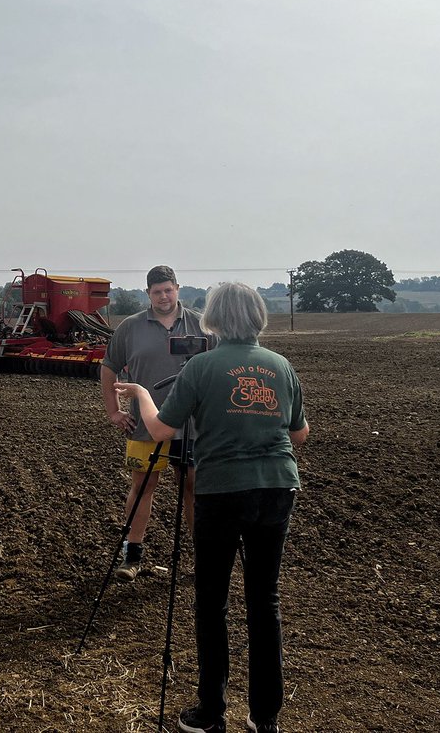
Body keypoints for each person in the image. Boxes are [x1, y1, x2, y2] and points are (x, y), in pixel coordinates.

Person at [115, 282, 309, 733]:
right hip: (278, 488)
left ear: (214, 319)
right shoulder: (281, 366)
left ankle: (211, 712)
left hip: (222, 492)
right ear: (258, 317)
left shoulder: (202, 366)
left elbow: (161, 431)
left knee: (212, 601)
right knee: (265, 601)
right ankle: (266, 718)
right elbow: (299, 435)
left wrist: (143, 395)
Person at [100, 265, 206, 582]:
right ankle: (131, 557)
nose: (164, 295)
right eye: (157, 291)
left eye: (168, 289)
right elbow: (108, 369)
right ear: (148, 293)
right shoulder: (131, 328)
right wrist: (114, 411)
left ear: (178, 289)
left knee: (192, 486)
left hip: (192, 425)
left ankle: (202, 559)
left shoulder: (202, 324)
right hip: (146, 423)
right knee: (143, 485)